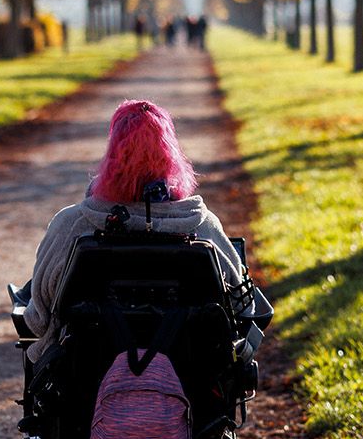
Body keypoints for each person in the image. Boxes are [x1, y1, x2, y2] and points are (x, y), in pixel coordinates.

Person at [21, 99, 245, 364]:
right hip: (190, 371)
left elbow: (38, 320)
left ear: (112, 152)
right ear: (171, 153)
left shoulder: (72, 223)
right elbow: (240, 305)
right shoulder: (202, 225)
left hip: (85, 374)